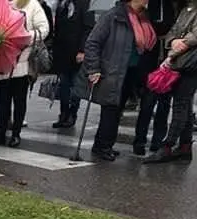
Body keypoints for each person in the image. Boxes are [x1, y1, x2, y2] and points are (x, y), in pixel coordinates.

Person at [79, 0, 156, 161]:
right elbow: (93, 43)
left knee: (117, 109)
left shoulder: (143, 18)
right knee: (111, 109)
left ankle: (104, 144)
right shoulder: (113, 16)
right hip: (114, 70)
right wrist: (93, 68)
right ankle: (102, 146)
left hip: (131, 72)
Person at [0, 0, 50, 148]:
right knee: (3, 101)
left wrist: (24, 37)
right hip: (3, 59)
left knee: (19, 100)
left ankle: (16, 134)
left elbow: (44, 28)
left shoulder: (32, 4)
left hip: (23, 60)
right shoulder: (0, 3)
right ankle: (1, 133)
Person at [144, 1, 197, 162]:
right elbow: (172, 32)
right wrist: (173, 41)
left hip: (192, 63)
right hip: (181, 62)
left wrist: (176, 48)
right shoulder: (185, 8)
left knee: (180, 105)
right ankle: (185, 147)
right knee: (185, 104)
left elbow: (193, 36)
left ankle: (168, 146)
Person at [132, 0, 176, 154]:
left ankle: (157, 140)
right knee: (147, 102)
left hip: (169, 54)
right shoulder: (147, 5)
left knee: (164, 102)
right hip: (150, 54)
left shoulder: (173, 5)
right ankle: (140, 140)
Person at [51, 0, 95, 129]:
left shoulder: (84, 4)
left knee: (76, 85)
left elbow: (88, 28)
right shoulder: (61, 4)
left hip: (77, 52)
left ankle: (72, 114)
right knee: (64, 84)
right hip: (62, 52)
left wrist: (82, 50)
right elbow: (58, 28)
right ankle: (63, 113)